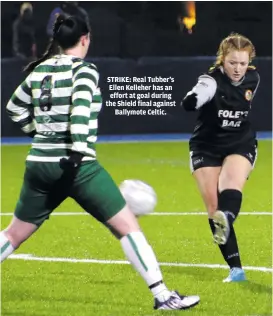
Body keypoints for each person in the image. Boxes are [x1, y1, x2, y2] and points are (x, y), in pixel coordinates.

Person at [1, 14, 200, 311]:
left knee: (13, 234)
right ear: (85, 39)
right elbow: (80, 108)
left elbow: (14, 108)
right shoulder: (84, 71)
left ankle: (164, 296)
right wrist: (78, 150)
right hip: (76, 165)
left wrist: (41, 133)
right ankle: (162, 296)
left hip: (39, 164)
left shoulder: (40, 70)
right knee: (127, 227)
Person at [182, 33, 260, 282]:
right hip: (205, 146)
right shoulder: (210, 81)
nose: (238, 69)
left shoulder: (253, 78)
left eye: (242, 63)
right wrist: (192, 100)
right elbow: (198, 93)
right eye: (232, 63)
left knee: (230, 186)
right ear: (222, 60)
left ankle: (227, 217)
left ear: (249, 62)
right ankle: (236, 270)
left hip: (239, 141)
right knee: (214, 207)